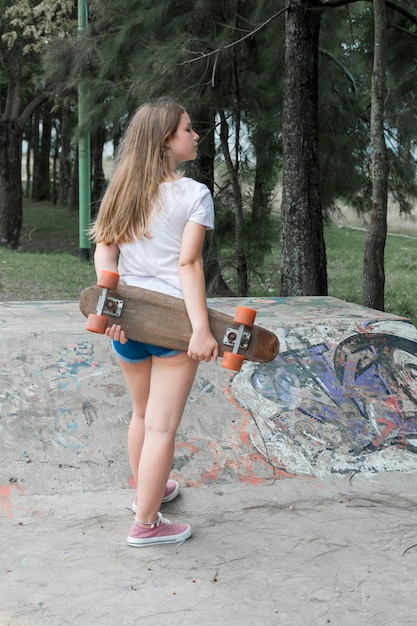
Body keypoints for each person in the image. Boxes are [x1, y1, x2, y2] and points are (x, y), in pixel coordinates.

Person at [91, 99, 219, 547]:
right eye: (188, 128)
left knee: (142, 415)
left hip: (125, 322)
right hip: (170, 325)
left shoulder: (122, 187)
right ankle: (146, 523)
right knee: (162, 427)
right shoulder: (193, 194)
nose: (195, 135)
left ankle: (148, 490)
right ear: (167, 140)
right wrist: (201, 330)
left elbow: (105, 254)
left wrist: (107, 308)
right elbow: (188, 265)